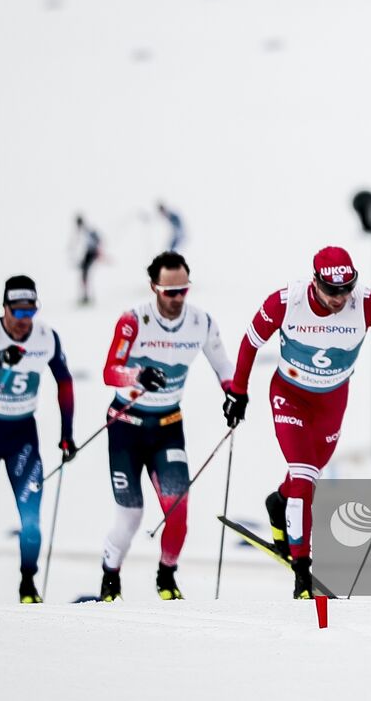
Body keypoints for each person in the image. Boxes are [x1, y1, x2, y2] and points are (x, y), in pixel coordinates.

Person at [230, 246, 371, 598]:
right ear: (315, 282)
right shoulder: (286, 302)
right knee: (304, 480)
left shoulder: (365, 302)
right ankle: (302, 574)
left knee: (305, 477)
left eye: (346, 288)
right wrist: (238, 392)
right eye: (332, 290)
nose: (340, 297)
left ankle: (278, 502)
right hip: (290, 395)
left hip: (332, 402)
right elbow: (249, 342)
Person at [96, 251, 235, 601]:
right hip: (126, 425)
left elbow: (224, 368)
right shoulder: (134, 321)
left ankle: (167, 576)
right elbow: (110, 371)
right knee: (130, 516)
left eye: (183, 291)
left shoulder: (200, 323)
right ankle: (111, 573)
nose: (176, 299)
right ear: (153, 288)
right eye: (169, 292)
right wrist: (138, 374)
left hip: (167, 426)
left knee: (178, 512)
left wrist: (235, 396)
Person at [0, 275, 75, 604]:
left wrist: (67, 433)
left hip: (22, 433)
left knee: (31, 519)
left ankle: (27, 583)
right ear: (4, 308)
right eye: (17, 313)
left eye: (30, 312)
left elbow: (64, 382)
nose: (24, 321)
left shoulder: (46, 337)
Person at [69, 216, 103, 305]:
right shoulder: (84, 230)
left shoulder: (87, 230)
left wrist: (98, 252)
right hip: (89, 254)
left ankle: (87, 297)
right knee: (85, 276)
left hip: (91, 253)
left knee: (85, 275)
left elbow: (97, 241)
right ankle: (86, 296)